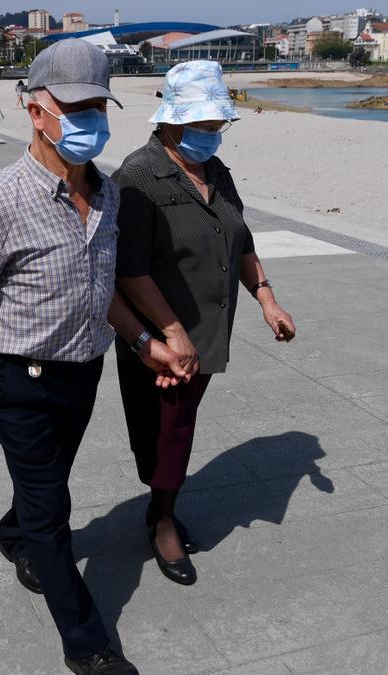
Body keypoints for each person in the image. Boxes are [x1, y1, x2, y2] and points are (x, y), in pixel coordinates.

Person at [0, 39, 184, 675]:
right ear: (34, 111)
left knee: (45, 483)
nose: (89, 120)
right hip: (16, 375)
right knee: (54, 509)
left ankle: (16, 532)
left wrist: (143, 344)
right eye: (74, 107)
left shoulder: (106, 197)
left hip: (83, 369)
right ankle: (88, 644)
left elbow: (102, 293)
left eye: (98, 105)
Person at [113, 61, 297, 587]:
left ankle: (160, 505)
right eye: (204, 125)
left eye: (218, 125)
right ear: (172, 120)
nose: (212, 134)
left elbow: (241, 237)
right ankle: (162, 516)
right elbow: (129, 269)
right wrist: (169, 334)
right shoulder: (138, 176)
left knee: (177, 428)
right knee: (164, 430)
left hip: (209, 330)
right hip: (159, 337)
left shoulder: (217, 172)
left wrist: (267, 300)